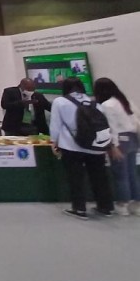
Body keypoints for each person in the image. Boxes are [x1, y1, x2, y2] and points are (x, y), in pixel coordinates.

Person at [50, 77, 114, 220]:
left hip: (71, 146)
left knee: (75, 178)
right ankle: (105, 207)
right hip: (96, 146)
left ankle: (79, 208)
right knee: (99, 177)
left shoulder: (60, 102)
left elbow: (55, 125)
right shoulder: (93, 102)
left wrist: (54, 141)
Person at [94, 78, 140, 216]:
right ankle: (137, 204)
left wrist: (114, 145)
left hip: (119, 140)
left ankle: (123, 204)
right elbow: (136, 120)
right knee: (132, 174)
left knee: (121, 175)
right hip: (132, 139)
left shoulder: (107, 105)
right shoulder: (125, 101)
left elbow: (111, 126)